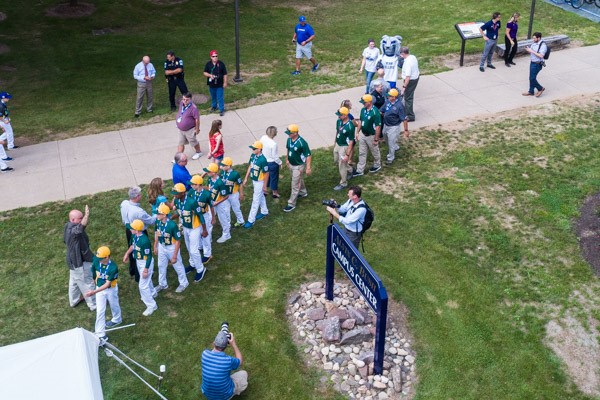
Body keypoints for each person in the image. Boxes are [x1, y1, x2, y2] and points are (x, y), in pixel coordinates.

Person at [173, 180, 208, 282]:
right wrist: (171, 217)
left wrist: (204, 230)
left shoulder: (192, 202)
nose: (174, 195)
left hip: (194, 228)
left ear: (183, 193)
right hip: (185, 226)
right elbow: (180, 213)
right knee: (189, 248)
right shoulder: (177, 201)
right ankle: (192, 264)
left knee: (194, 250)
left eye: (176, 193)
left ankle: (201, 269)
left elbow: (200, 216)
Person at [85, 246, 122, 342]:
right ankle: (100, 333)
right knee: (100, 310)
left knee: (114, 305)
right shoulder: (96, 261)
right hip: (99, 288)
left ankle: (117, 319)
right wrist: (94, 280)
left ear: (107, 257)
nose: (99, 260)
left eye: (101, 259)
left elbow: (107, 284)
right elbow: (93, 270)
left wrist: (93, 292)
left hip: (110, 289)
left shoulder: (113, 268)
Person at [64, 205, 96, 311]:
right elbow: (80, 228)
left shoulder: (67, 226)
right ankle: (93, 304)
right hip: (79, 263)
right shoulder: (73, 232)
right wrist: (87, 215)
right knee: (86, 282)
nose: (82, 219)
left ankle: (74, 301)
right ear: (73, 220)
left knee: (74, 282)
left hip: (72, 262)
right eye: (80, 218)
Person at [120, 187, 156, 282]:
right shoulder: (138, 212)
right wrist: (157, 212)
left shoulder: (124, 203)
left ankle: (132, 270)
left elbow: (125, 220)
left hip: (129, 230)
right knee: (141, 251)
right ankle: (140, 274)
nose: (141, 195)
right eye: (140, 194)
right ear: (137, 197)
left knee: (132, 248)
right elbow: (152, 221)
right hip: (139, 231)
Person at [123, 219, 159, 316]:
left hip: (145, 262)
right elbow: (133, 246)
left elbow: (149, 256)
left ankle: (152, 305)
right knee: (147, 282)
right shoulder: (135, 236)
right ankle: (153, 292)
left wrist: (146, 269)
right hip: (139, 261)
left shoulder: (144, 240)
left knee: (142, 286)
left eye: (132, 228)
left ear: (137, 230)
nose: (130, 229)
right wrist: (127, 254)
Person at [201, 330, 248, 400]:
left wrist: (220, 336)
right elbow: (240, 361)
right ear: (227, 346)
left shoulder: (205, 354)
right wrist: (234, 344)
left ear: (214, 343)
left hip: (207, 393)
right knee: (244, 373)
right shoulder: (228, 361)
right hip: (224, 396)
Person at [154, 203, 189, 293]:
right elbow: (157, 233)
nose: (157, 215)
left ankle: (184, 283)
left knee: (178, 265)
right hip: (162, 246)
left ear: (164, 214)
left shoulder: (172, 225)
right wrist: (155, 245)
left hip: (171, 247)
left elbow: (178, 241)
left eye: (159, 213)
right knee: (161, 265)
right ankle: (162, 284)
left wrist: (174, 255)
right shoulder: (158, 222)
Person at [283, 124, 312, 212]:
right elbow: (288, 149)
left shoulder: (302, 143)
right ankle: (303, 192)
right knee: (297, 179)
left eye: (290, 133)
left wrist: (308, 168)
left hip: (298, 166)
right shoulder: (289, 139)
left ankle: (291, 204)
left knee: (294, 185)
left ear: (295, 133)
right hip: (292, 164)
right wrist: (287, 159)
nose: (288, 134)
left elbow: (308, 155)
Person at [353, 94, 382, 177]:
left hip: (371, 136)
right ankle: (360, 170)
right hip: (363, 134)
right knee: (362, 152)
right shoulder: (363, 110)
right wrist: (358, 132)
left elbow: (378, 127)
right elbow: (360, 121)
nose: (363, 104)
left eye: (364, 102)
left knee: (374, 151)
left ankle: (377, 164)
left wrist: (376, 139)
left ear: (369, 102)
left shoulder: (375, 112)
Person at [242, 141, 269, 228]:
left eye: (254, 148)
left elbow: (266, 173)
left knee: (255, 200)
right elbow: (250, 166)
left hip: (260, 182)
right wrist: (246, 177)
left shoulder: (263, 160)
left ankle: (251, 220)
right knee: (260, 196)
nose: (252, 150)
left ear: (259, 149)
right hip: (254, 180)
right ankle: (264, 211)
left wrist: (264, 186)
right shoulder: (253, 156)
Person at [204, 163, 231, 244]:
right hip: (212, 202)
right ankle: (209, 238)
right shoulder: (209, 179)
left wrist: (217, 202)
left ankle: (227, 234)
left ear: (214, 172)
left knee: (223, 219)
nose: (207, 173)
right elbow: (209, 188)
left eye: (209, 171)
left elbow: (226, 196)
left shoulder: (220, 182)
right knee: (209, 219)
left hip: (220, 203)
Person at [381, 88, 409, 165]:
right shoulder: (387, 102)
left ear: (394, 97)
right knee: (385, 136)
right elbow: (382, 110)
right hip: (386, 124)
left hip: (394, 127)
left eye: (389, 96)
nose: (388, 97)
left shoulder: (399, 106)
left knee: (391, 142)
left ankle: (390, 157)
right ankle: (395, 146)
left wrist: (406, 130)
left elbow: (404, 119)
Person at [333, 107, 355, 191]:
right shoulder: (338, 121)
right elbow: (337, 132)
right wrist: (335, 142)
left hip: (344, 146)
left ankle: (343, 183)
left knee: (341, 164)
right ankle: (350, 169)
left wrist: (347, 154)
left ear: (345, 115)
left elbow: (351, 142)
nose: (338, 117)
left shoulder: (350, 126)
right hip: (338, 144)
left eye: (340, 115)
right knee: (336, 160)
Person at [176, 92, 203, 160]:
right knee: (181, 142)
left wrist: (197, 129)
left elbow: (197, 120)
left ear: (190, 99)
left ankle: (198, 152)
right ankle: (179, 157)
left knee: (193, 141)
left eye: (187, 100)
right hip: (181, 129)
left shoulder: (194, 108)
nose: (185, 101)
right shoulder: (182, 103)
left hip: (190, 129)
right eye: (183, 99)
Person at [220, 157, 245, 227]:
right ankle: (228, 223)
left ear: (228, 166)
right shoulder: (222, 173)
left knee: (236, 208)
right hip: (225, 195)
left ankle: (241, 221)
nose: (222, 166)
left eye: (224, 165)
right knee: (226, 209)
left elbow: (240, 184)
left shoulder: (235, 174)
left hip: (233, 194)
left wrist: (241, 194)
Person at [203, 50, 228, 116]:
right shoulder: (208, 64)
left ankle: (221, 109)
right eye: (213, 56)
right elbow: (204, 72)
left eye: (216, 56)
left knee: (220, 97)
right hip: (212, 84)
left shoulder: (221, 64)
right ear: (211, 57)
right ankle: (214, 107)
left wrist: (225, 82)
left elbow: (225, 74)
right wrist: (210, 75)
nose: (215, 57)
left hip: (219, 84)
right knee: (213, 97)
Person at [523, 32, 547, 98]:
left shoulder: (543, 46)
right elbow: (533, 51)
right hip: (532, 62)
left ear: (538, 38)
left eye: (534, 38)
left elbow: (541, 55)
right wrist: (528, 49)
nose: (533, 39)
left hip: (537, 64)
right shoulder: (534, 43)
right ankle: (531, 91)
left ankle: (540, 88)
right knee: (531, 78)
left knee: (532, 78)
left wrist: (531, 51)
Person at [260, 126, 282, 198]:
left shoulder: (263, 137)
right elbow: (274, 156)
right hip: (272, 163)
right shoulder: (273, 144)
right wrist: (280, 162)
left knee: (266, 176)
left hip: (264, 162)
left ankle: (265, 190)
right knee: (274, 177)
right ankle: (274, 192)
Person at [399, 46, 419, 122]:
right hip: (415, 78)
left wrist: (404, 87)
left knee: (408, 98)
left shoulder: (408, 63)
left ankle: (410, 116)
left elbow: (408, 77)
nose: (400, 56)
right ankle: (407, 111)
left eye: (401, 54)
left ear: (403, 53)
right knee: (408, 96)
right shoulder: (413, 57)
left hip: (410, 81)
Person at [0, 91, 18, 162]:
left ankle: (10, 145)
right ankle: (10, 145)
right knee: (9, 132)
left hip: (5, 119)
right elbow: (0, 116)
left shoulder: (3, 103)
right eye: (7, 98)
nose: (8, 99)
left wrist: (7, 118)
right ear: (3, 98)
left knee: (9, 132)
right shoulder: (1, 105)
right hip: (3, 121)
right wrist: (5, 121)